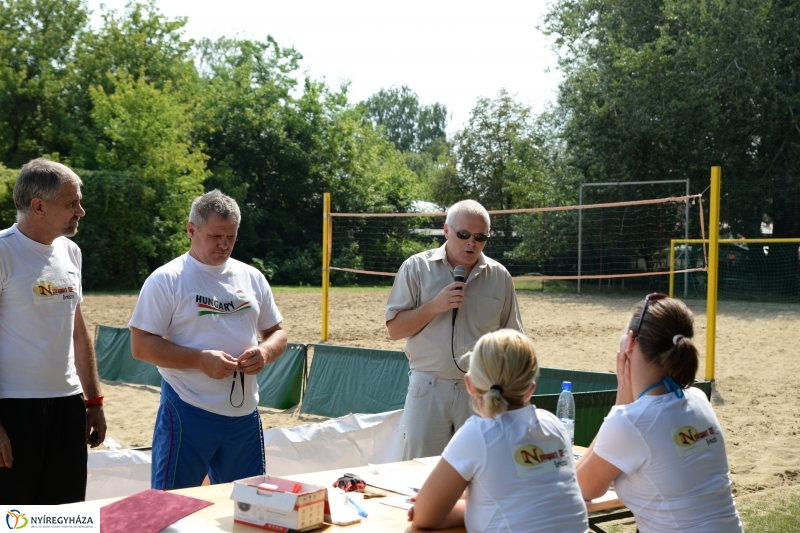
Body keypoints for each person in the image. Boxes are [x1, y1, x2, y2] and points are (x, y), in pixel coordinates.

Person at [130, 189, 287, 490]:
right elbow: (140, 346)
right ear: (191, 230)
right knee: (173, 505)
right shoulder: (167, 279)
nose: (224, 244)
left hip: (244, 414)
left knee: (247, 504)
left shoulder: (252, 276)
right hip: (188, 409)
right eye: (215, 236)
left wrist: (266, 353)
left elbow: (278, 333)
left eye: (231, 236)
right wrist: (199, 360)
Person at [576, 293, 744, 532]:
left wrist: (620, 405)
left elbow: (582, 488)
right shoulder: (697, 398)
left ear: (630, 342)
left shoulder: (631, 421)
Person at [0, 158, 107, 504]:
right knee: (13, 520)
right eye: (72, 203)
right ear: (39, 206)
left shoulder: (71, 252)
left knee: (64, 517)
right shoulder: (3, 251)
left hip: (68, 406)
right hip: (13, 409)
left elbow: (78, 332)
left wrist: (93, 401)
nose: (81, 211)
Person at [409, 329, 589, 532]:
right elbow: (529, 498)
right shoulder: (553, 424)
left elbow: (424, 517)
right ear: (530, 389)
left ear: (470, 384)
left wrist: (437, 504)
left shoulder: (477, 434)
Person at [386, 199, 523, 460]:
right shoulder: (416, 267)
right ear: (446, 230)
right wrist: (434, 306)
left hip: (482, 391)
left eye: (480, 237)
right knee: (418, 470)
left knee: (479, 470)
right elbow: (395, 330)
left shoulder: (500, 276)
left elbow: (513, 340)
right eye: (463, 235)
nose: (472, 243)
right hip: (429, 387)